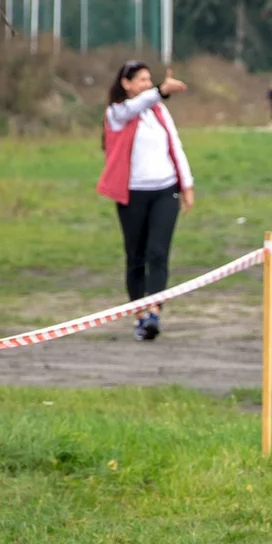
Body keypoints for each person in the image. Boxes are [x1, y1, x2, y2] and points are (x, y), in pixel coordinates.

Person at [97, 62, 194, 342]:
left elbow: (175, 145)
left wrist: (186, 185)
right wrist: (161, 90)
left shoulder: (159, 110)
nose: (146, 84)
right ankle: (139, 315)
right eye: (141, 79)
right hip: (132, 194)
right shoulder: (117, 113)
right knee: (136, 256)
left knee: (158, 253)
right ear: (126, 84)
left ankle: (154, 311)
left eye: (149, 80)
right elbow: (132, 107)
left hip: (165, 190)